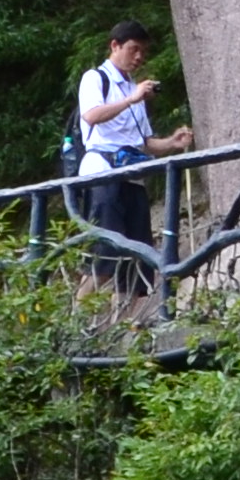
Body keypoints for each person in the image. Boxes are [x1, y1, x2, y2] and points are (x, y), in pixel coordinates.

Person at [72, 22, 186, 298]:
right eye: (134, 49)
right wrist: (131, 100)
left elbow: (145, 143)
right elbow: (91, 116)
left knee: (138, 260)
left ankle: (127, 334)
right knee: (105, 255)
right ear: (115, 46)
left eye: (142, 52)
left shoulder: (134, 89)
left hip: (133, 177)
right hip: (102, 173)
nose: (138, 57)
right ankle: (76, 326)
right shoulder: (95, 78)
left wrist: (172, 142)